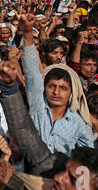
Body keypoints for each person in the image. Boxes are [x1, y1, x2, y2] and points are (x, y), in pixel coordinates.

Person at [20, 13, 94, 157]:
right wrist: (27, 33)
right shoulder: (38, 108)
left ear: (71, 92)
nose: (56, 92)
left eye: (63, 88)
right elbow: (32, 73)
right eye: (52, 86)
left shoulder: (78, 123)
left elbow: (90, 156)